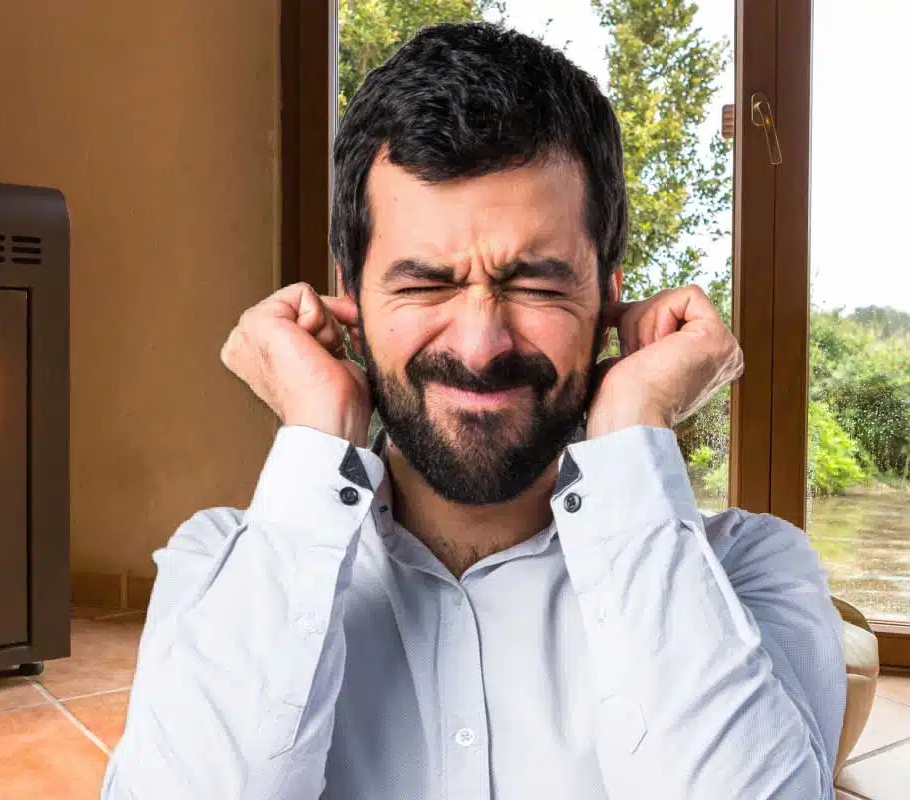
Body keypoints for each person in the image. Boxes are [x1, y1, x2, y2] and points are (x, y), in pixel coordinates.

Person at [101, 21, 845, 799]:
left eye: (537, 284)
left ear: (609, 298)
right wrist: (317, 432)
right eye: (424, 284)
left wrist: (631, 422)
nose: (482, 344)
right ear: (351, 296)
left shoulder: (751, 573)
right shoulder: (221, 566)